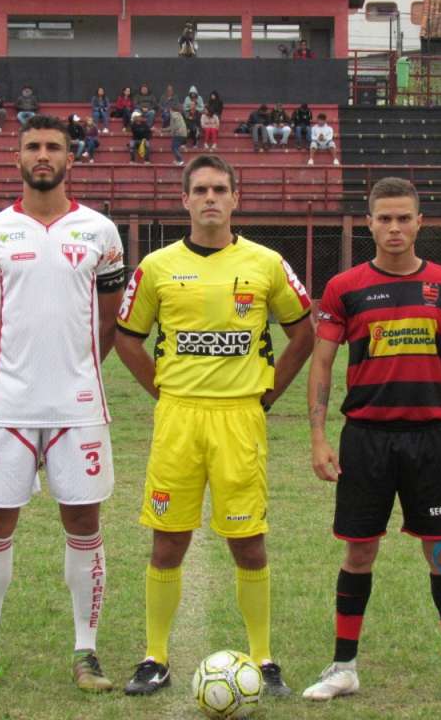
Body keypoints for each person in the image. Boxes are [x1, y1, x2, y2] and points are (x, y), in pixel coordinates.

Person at [116, 154, 315, 699]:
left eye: (219, 189)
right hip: (178, 417)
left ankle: (263, 657)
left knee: (248, 543)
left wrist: (269, 389)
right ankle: (155, 655)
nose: (209, 198)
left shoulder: (267, 262)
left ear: (234, 198)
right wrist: (161, 388)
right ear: (184, 199)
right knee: (168, 540)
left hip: (239, 418)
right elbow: (125, 337)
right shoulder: (155, 267)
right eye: (199, 189)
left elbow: (304, 331)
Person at [303, 176, 441, 704]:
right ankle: (344, 666)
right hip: (365, 438)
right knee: (359, 552)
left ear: (419, 222)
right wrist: (319, 435)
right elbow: (322, 361)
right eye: (384, 218)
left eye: (403, 218)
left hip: (431, 438)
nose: (394, 227)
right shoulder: (344, 288)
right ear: (369, 223)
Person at [0, 115, 126, 695]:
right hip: (8, 405)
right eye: (33, 147)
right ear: (17, 158)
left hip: (78, 407)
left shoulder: (100, 231)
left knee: (84, 523)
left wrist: (74, 369)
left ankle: (86, 651)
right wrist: (19, 367)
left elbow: (107, 322)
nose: (43, 155)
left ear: (71, 159)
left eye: (53, 147)